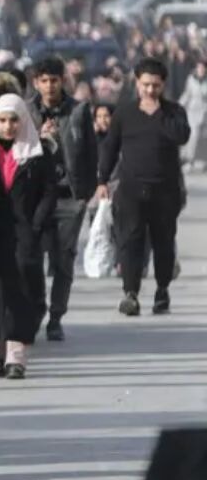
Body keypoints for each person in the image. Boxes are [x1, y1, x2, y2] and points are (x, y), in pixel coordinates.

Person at [97, 58, 191, 316]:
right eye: (146, 85)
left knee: (163, 242)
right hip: (131, 190)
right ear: (137, 83)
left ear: (163, 85)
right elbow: (110, 148)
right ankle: (131, 293)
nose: (150, 91)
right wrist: (102, 180)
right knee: (130, 242)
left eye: (156, 86)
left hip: (165, 191)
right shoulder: (124, 113)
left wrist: (159, 110)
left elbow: (182, 136)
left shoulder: (174, 112)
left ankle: (162, 290)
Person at [0, 94, 55, 379]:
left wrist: (35, 225)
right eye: (3, 120)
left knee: (19, 292)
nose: (8, 127)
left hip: (23, 233)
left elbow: (48, 192)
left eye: (14, 120)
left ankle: (16, 357)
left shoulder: (37, 151)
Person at [29, 57, 97, 341]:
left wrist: (86, 194)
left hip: (69, 196)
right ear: (36, 82)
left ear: (62, 81)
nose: (49, 86)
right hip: (34, 196)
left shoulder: (78, 111)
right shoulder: (28, 112)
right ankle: (35, 311)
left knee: (63, 260)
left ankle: (56, 316)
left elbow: (91, 153)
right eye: (43, 80)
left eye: (54, 80)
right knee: (32, 258)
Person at [179, 60, 207, 169]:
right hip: (193, 111)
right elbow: (187, 94)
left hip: (204, 112)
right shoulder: (191, 80)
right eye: (199, 67)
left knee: (202, 137)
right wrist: (179, 105)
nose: (201, 70)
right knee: (193, 135)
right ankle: (188, 159)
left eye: (203, 68)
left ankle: (200, 160)